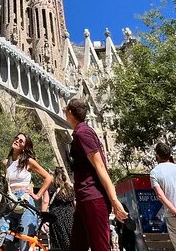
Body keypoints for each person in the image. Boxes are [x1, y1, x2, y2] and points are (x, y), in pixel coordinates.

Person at [64, 98, 128, 251]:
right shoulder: (81, 132)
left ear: (70, 112)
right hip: (84, 199)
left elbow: (100, 167)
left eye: (66, 109)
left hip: (93, 197)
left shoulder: (83, 133)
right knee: (77, 246)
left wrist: (114, 200)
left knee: (100, 247)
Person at [0, 133, 52, 251]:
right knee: (3, 238)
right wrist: (2, 203)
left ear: (24, 147)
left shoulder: (28, 161)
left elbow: (48, 177)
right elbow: (7, 185)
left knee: (24, 244)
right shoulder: (6, 163)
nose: (17, 141)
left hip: (25, 203)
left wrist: (37, 195)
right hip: (11, 204)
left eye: (21, 141)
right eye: (16, 138)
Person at [43, 167, 75, 251]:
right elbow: (73, 203)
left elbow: (45, 201)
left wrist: (43, 217)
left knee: (59, 243)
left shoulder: (50, 187)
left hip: (56, 217)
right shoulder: (69, 187)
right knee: (72, 240)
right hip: (70, 215)